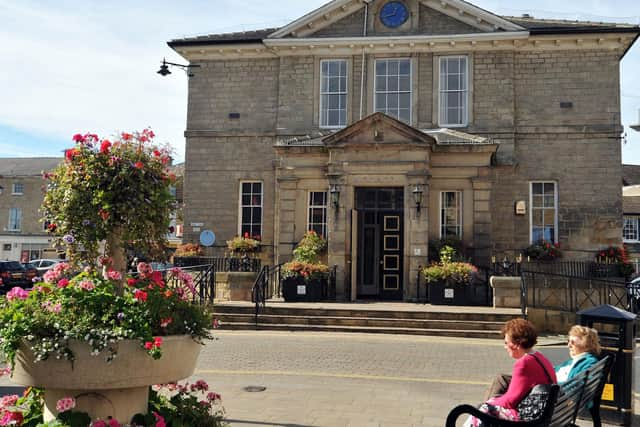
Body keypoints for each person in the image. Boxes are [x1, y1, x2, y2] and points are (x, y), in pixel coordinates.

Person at [465, 318, 557, 426]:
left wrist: (491, 402)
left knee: (482, 409)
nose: (505, 347)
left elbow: (509, 401)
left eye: (506, 343)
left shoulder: (524, 363)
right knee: (485, 406)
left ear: (516, 344)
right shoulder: (538, 356)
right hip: (545, 412)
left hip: (531, 419)